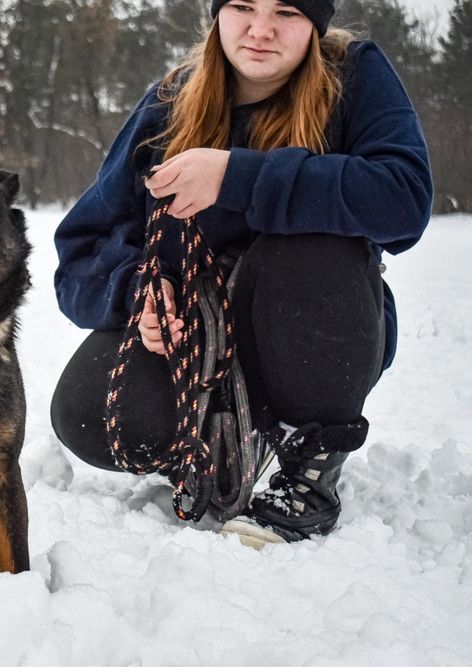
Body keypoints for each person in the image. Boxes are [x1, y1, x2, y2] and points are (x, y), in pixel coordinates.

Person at [50, 0, 432, 546]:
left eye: (286, 12)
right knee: (86, 412)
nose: (261, 30)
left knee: (307, 246)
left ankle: (311, 458)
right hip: (197, 334)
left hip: (317, 324)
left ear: (316, 24)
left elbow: (403, 199)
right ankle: (217, 440)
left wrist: (236, 176)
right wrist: (141, 291)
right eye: (244, 6)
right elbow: (83, 245)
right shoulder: (170, 101)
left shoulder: (355, 75)